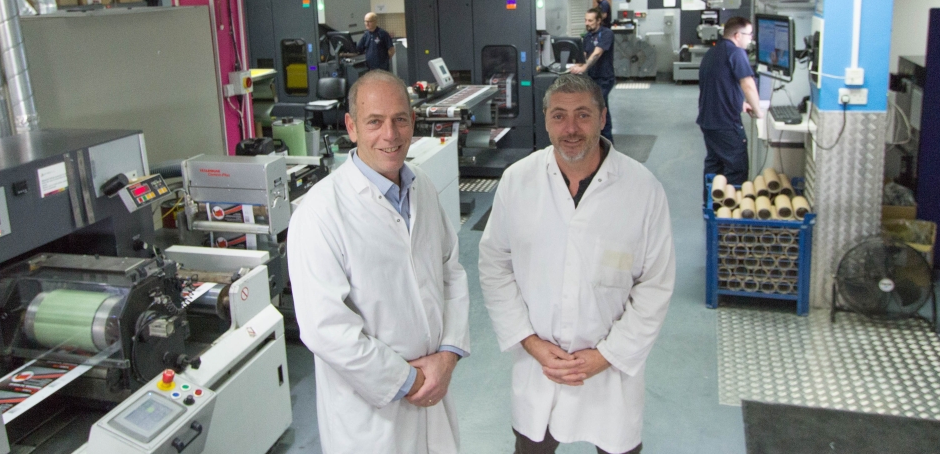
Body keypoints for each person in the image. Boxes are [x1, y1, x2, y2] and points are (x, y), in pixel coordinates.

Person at [479, 73, 675, 454]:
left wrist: (606, 356)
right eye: (558, 116)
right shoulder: (517, 181)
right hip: (541, 367)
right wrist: (530, 342)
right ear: (546, 119)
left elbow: (655, 284)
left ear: (603, 118)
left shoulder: (642, 189)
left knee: (615, 443)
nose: (570, 128)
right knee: (532, 444)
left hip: (610, 371)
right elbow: (494, 265)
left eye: (582, 115)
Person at [287, 70, 470, 454]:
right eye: (375, 122)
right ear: (351, 127)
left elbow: (450, 273)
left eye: (400, 119)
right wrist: (409, 381)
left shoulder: (421, 184)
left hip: (435, 388)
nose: (391, 134)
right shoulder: (320, 212)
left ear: (413, 122)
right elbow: (326, 329)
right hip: (372, 416)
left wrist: (448, 355)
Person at [696, 16, 761, 187]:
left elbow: (719, 86)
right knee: (736, 169)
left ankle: (712, 208)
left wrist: (740, 103)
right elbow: (748, 85)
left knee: (714, 167)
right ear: (738, 35)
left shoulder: (713, 52)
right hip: (725, 123)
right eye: (749, 34)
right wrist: (759, 112)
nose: (751, 39)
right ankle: (729, 210)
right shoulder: (736, 53)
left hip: (708, 121)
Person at [568, 8, 615, 142]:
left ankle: (608, 142)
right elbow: (584, 55)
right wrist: (578, 64)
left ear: (599, 21)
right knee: (594, 108)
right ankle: (595, 140)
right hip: (591, 78)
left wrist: (584, 67)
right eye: (585, 20)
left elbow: (596, 54)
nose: (587, 23)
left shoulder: (607, 34)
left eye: (590, 20)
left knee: (600, 108)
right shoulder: (587, 37)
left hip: (604, 78)